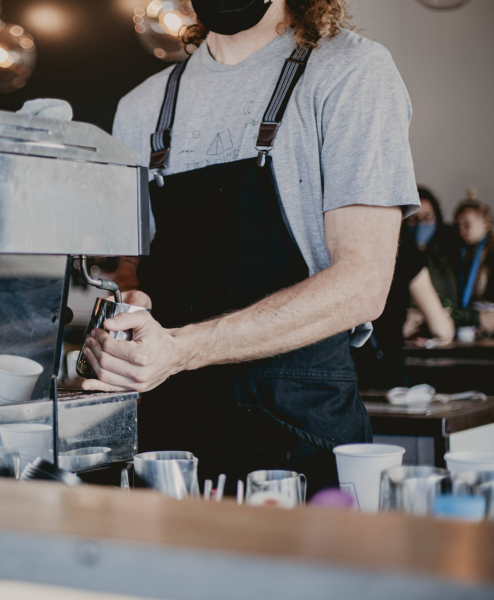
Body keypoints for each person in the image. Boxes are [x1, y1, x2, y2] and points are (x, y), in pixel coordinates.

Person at [82, 0, 420, 495]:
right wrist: (130, 310)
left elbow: (363, 285)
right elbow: (130, 269)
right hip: (167, 427)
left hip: (295, 421)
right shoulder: (142, 106)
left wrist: (181, 348)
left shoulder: (351, 71)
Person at [353, 229, 454, 390]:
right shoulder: (403, 245)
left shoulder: (342, 239)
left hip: (340, 368)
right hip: (385, 371)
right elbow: (441, 329)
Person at [404, 186, 460, 307]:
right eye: (413, 218)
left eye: (427, 216)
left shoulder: (451, 248)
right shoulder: (396, 257)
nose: (420, 223)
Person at [454, 194, 494, 333]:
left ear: (485, 224)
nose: (461, 230)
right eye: (458, 226)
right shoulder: (461, 251)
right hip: (470, 311)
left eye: (467, 224)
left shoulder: (491, 249)